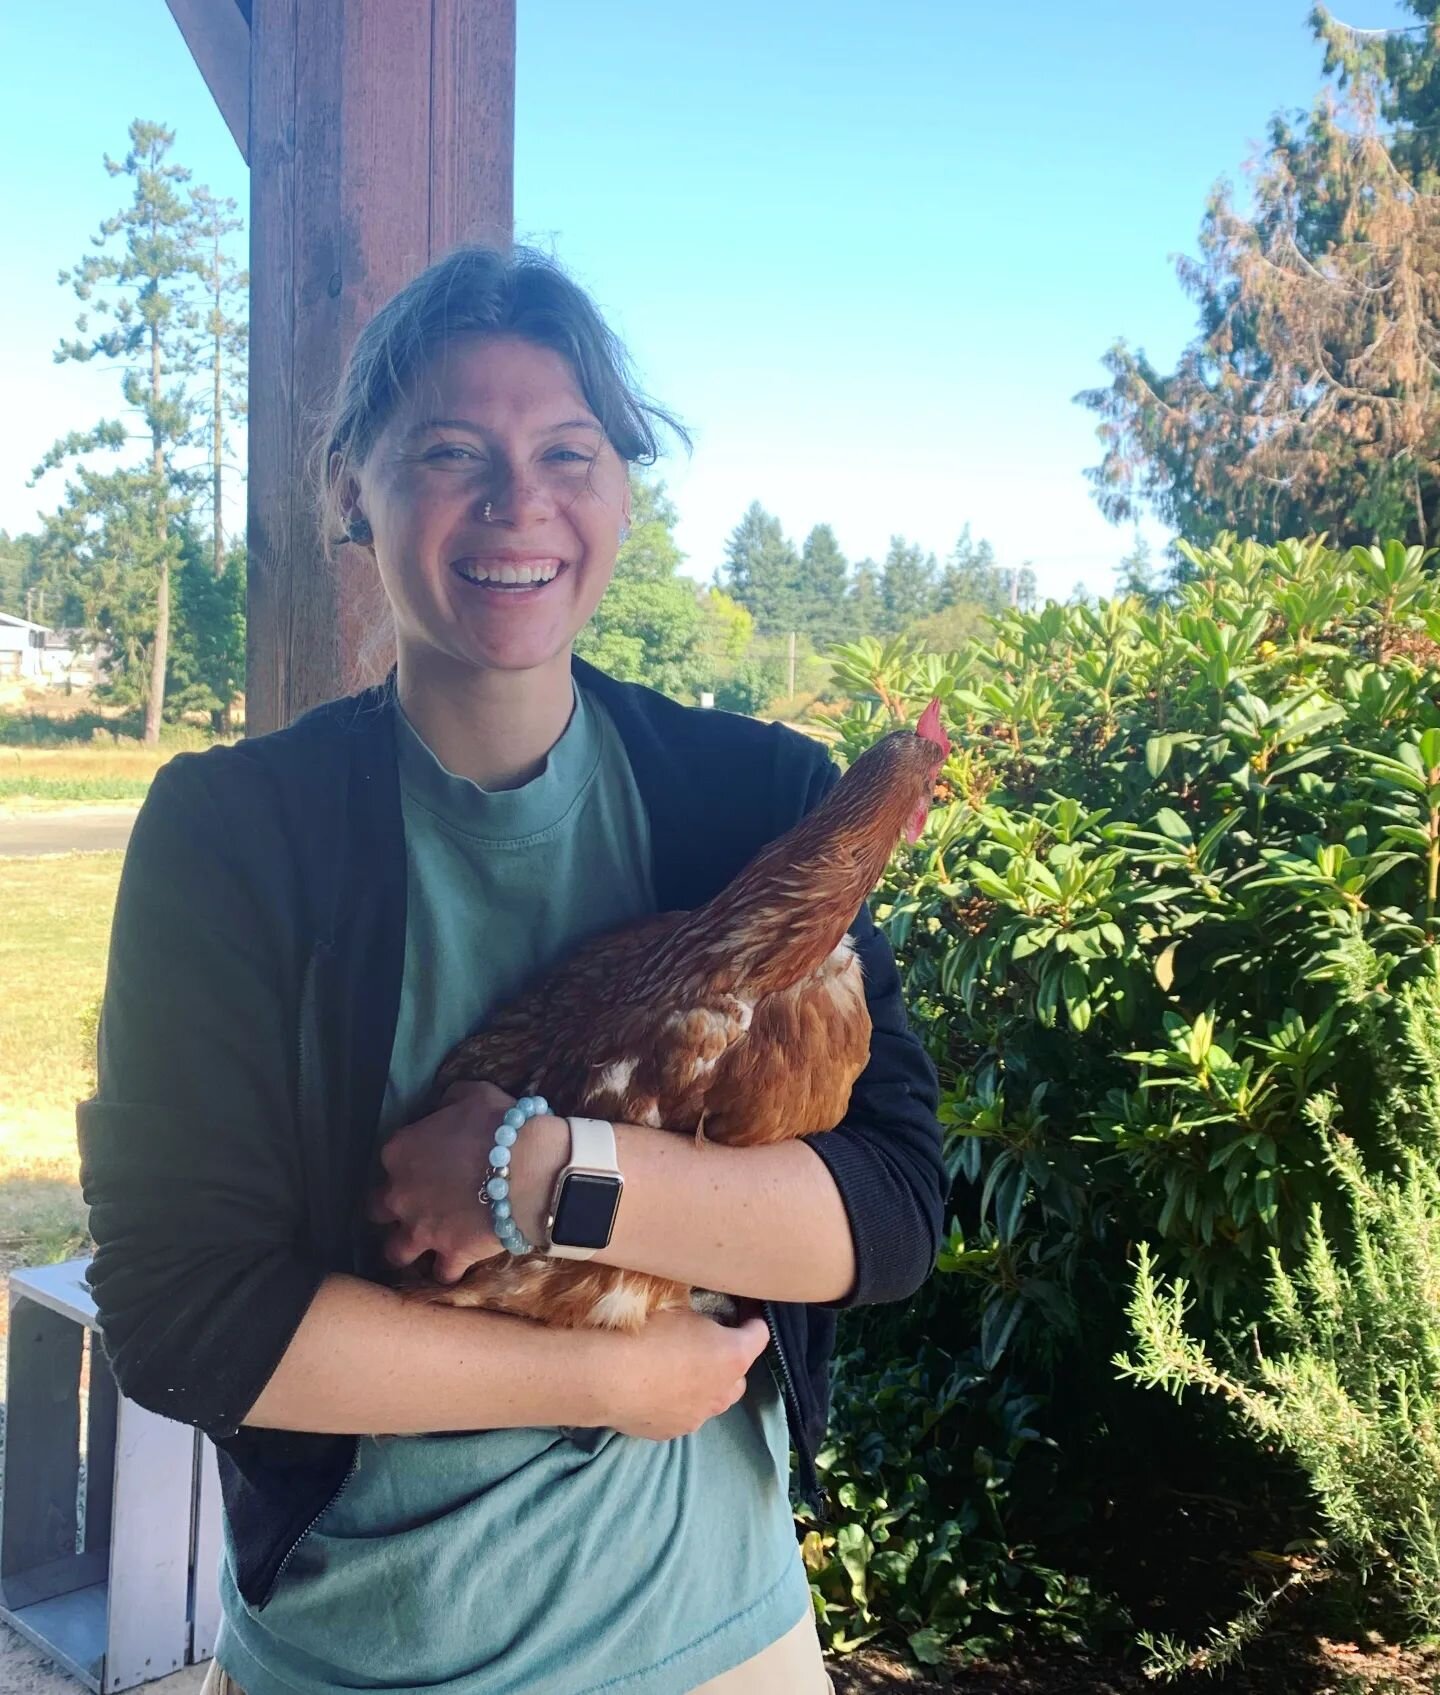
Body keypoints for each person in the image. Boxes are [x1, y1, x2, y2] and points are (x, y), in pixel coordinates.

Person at [79, 246, 945, 1695]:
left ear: (621, 488)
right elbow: (185, 1319)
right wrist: (602, 1380)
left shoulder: (757, 804)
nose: (518, 502)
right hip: (367, 1658)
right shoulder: (233, 839)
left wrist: (542, 1174)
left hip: (724, 1646)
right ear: (354, 484)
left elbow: (892, 1210)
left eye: (568, 452)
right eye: (449, 452)